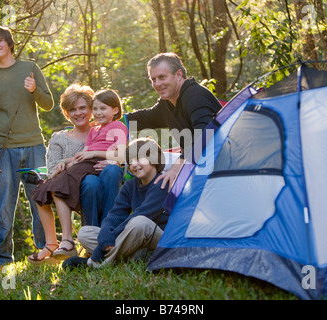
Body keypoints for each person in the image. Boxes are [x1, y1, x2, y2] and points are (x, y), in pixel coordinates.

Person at [0, 26, 54, 271]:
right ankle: (1, 259)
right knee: (4, 205)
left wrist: (34, 90)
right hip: (2, 150)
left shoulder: (30, 68)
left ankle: (46, 249)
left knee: (40, 200)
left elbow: (49, 104)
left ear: (10, 44)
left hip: (34, 146)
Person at [28, 89, 128, 264]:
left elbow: (122, 153)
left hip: (102, 174)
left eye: (84, 108)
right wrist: (66, 162)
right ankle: (82, 244)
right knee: (85, 182)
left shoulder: (116, 127)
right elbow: (82, 154)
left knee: (105, 174)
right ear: (67, 113)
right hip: (78, 185)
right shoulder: (92, 132)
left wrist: (113, 161)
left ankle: (107, 233)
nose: (80, 112)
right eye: (73, 109)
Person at [62, 137, 169, 269]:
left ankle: (95, 264)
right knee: (85, 232)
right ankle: (130, 255)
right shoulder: (130, 185)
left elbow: (143, 215)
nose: (134, 165)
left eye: (139, 159)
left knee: (139, 222)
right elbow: (115, 214)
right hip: (133, 238)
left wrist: (101, 247)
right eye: (130, 161)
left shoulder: (163, 182)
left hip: (161, 238)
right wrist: (106, 234)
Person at [126, 52, 222, 190]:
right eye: (153, 79)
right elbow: (142, 119)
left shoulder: (195, 96)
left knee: (158, 174)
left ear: (178, 75)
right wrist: (105, 120)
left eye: (162, 77)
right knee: (143, 163)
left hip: (217, 163)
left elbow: (205, 136)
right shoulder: (167, 104)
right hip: (193, 160)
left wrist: (178, 166)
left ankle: (157, 210)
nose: (157, 84)